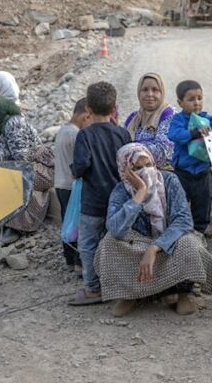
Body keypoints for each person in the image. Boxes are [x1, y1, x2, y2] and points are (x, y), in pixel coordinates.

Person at [96, 143, 212, 317]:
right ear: (125, 171)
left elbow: (183, 220)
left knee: (189, 243)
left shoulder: (169, 180)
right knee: (109, 243)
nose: (145, 172)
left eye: (148, 165)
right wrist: (140, 193)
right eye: (137, 168)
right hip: (139, 243)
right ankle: (129, 295)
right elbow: (115, 230)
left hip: (168, 241)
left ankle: (183, 293)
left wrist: (155, 247)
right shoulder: (121, 190)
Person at [69, 82, 131, 305]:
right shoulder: (123, 134)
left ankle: (94, 289)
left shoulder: (84, 136)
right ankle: (119, 285)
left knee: (88, 245)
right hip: (119, 202)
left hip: (93, 203)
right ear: (114, 106)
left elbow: (81, 166)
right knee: (117, 243)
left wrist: (74, 171)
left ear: (88, 109)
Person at [168, 80, 212, 233]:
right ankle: (180, 232)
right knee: (179, 206)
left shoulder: (207, 119)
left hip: (203, 173)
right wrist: (194, 133)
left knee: (203, 206)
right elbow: (174, 134)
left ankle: (199, 233)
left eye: (199, 98)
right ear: (180, 102)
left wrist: (211, 130)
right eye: (191, 99)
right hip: (183, 173)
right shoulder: (179, 120)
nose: (196, 103)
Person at [54, 98, 90, 271]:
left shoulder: (63, 130)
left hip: (60, 184)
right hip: (72, 186)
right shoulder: (75, 134)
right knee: (77, 224)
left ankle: (69, 259)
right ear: (85, 115)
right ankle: (78, 261)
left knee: (67, 222)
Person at [123, 73, 175, 169]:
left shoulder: (169, 115)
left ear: (162, 92)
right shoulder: (133, 118)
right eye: (145, 90)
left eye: (155, 90)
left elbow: (163, 151)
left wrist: (130, 150)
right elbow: (120, 143)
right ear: (139, 92)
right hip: (132, 172)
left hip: (162, 173)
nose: (150, 94)